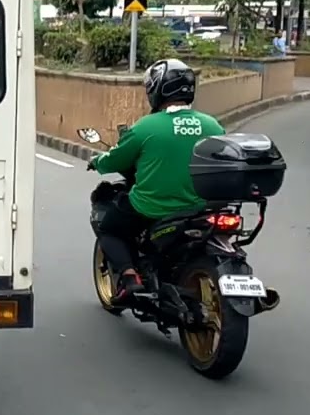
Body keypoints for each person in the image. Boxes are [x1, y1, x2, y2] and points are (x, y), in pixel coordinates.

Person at [87, 59, 226, 305]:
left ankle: (129, 276)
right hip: (201, 208)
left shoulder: (145, 127)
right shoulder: (212, 125)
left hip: (153, 207)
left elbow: (114, 160)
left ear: (158, 90)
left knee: (109, 227)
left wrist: (97, 162)